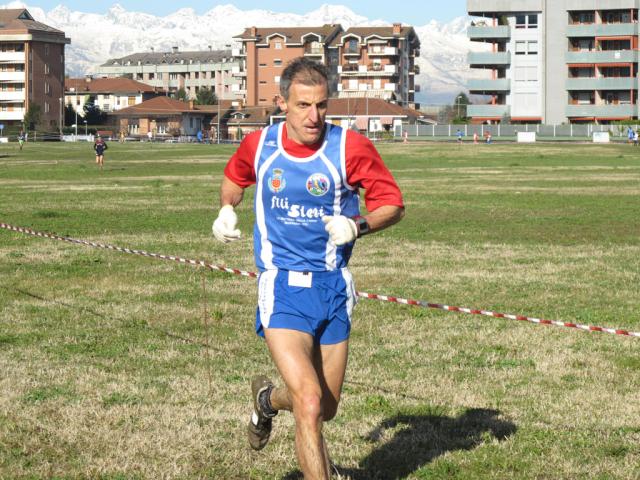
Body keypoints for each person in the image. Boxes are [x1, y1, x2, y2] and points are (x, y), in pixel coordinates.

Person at [211, 57, 404, 479]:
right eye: (302, 106)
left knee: (325, 406)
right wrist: (227, 209)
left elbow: (393, 205)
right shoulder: (261, 145)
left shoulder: (350, 147)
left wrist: (358, 225)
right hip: (282, 287)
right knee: (311, 403)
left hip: (333, 289)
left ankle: (266, 401)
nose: (313, 116)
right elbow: (234, 178)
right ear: (282, 103)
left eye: (321, 105)